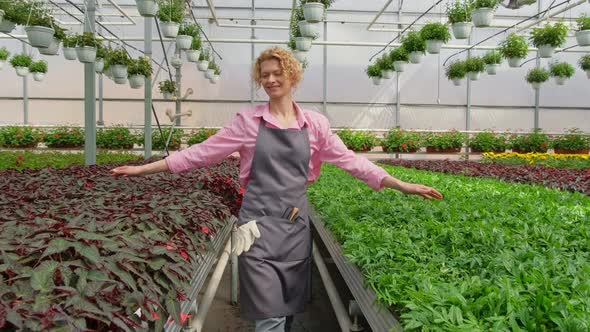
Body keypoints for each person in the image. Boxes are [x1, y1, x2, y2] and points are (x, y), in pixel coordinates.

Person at [111, 46, 443, 332]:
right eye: (264, 75)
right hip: (258, 228)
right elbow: (201, 153)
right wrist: (145, 168)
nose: (270, 80)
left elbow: (350, 161)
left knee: (285, 310)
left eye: (277, 73)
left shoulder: (315, 126)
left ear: (292, 76)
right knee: (268, 314)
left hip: (295, 227)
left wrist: (399, 184)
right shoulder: (248, 123)